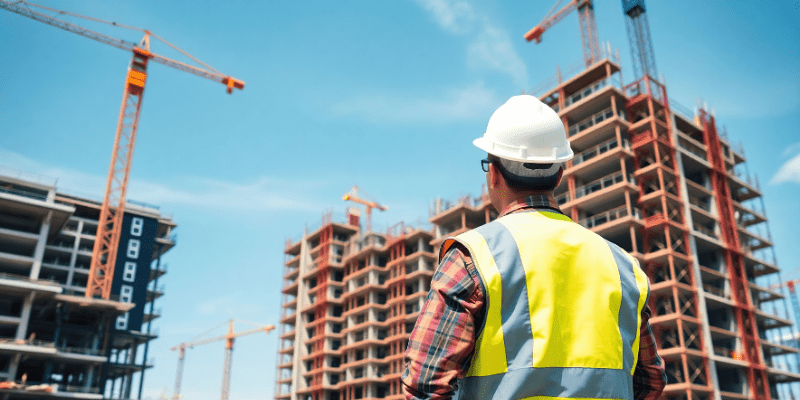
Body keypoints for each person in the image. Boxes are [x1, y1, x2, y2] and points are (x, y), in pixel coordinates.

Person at [402, 95, 666, 400]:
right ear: (559, 175)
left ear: (494, 174)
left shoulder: (473, 256)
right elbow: (650, 382)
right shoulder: (623, 266)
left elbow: (425, 384)